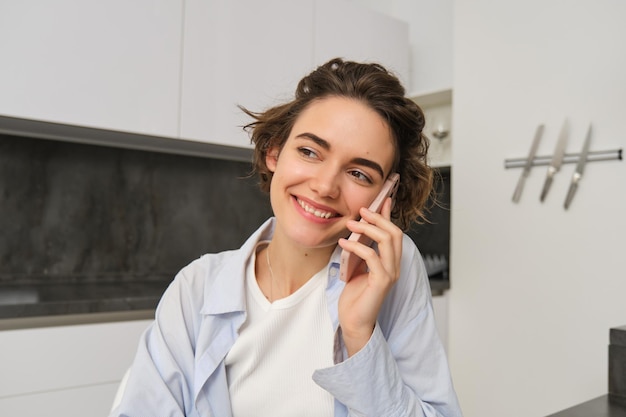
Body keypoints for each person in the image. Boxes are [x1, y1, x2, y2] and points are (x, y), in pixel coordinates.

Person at [109, 58, 463, 417]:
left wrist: (360, 335)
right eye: (310, 152)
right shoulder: (197, 287)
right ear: (274, 152)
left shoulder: (389, 271)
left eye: (358, 174)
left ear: (384, 195)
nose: (324, 186)